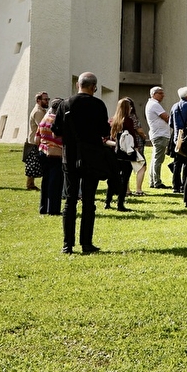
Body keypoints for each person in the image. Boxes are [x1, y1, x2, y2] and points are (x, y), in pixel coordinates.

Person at [56, 73, 110, 254]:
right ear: (94, 87)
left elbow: (56, 130)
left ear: (78, 85)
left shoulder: (65, 104)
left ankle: (67, 244)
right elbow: (104, 130)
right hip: (92, 156)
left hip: (70, 155)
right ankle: (86, 243)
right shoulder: (98, 105)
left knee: (70, 200)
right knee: (89, 200)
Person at [105, 97, 140, 211]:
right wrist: (136, 149)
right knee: (124, 179)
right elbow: (132, 136)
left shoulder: (112, 120)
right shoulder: (128, 120)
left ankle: (108, 202)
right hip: (125, 153)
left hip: (114, 153)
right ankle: (120, 204)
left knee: (112, 179)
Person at [36, 98, 66, 216]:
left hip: (43, 152)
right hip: (56, 153)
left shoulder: (44, 120)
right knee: (56, 182)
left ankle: (43, 207)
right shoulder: (58, 121)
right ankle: (53, 209)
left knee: (46, 181)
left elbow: (37, 137)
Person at [170, 88, 187, 192]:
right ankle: (184, 185)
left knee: (177, 163)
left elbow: (171, 123)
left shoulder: (174, 106)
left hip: (177, 137)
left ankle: (175, 186)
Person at [145, 86, 171, 191]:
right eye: (160, 93)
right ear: (154, 94)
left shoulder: (152, 104)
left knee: (155, 158)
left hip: (157, 134)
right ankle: (157, 182)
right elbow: (166, 117)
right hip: (160, 134)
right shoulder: (155, 104)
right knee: (158, 159)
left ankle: (153, 181)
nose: (163, 95)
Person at [25, 92, 49, 191]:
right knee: (33, 164)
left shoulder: (41, 110)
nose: (48, 101)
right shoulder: (38, 112)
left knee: (34, 164)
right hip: (35, 142)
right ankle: (30, 185)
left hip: (35, 141)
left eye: (48, 99)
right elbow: (42, 126)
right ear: (39, 100)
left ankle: (30, 184)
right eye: (45, 99)